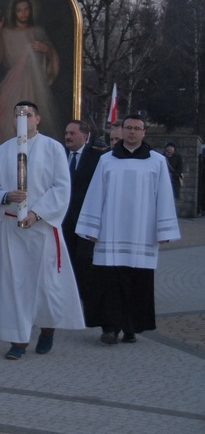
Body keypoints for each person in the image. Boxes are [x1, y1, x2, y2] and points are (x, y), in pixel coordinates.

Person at [0, 101, 84, 360]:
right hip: (10, 229)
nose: (23, 118)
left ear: (37, 119)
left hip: (42, 226)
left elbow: (61, 188)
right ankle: (18, 339)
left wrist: (36, 213)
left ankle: (48, 329)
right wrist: (7, 195)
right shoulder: (1, 152)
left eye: (27, 114)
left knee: (46, 284)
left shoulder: (52, 148)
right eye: (18, 114)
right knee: (13, 283)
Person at [76, 114, 180, 345]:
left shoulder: (156, 161)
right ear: (121, 132)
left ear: (144, 133)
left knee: (137, 282)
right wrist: (92, 227)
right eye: (128, 128)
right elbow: (95, 195)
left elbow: (164, 197)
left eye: (137, 128)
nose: (132, 132)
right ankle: (110, 328)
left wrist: (164, 231)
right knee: (109, 282)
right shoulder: (107, 160)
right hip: (110, 233)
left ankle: (131, 327)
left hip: (141, 233)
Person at [0, 0, 61, 143]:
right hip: (12, 83)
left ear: (31, 10)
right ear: (14, 12)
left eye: (26, 9)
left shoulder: (38, 31)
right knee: (7, 120)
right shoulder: (6, 33)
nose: (23, 13)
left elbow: (52, 58)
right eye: (19, 10)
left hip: (34, 83)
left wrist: (45, 49)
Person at [62, 120, 102, 306]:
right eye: (67, 133)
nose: (68, 137)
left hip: (85, 220)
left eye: (72, 133)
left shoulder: (97, 158)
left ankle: (86, 304)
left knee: (84, 262)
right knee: (64, 261)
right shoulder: (59, 155)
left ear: (85, 136)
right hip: (61, 220)